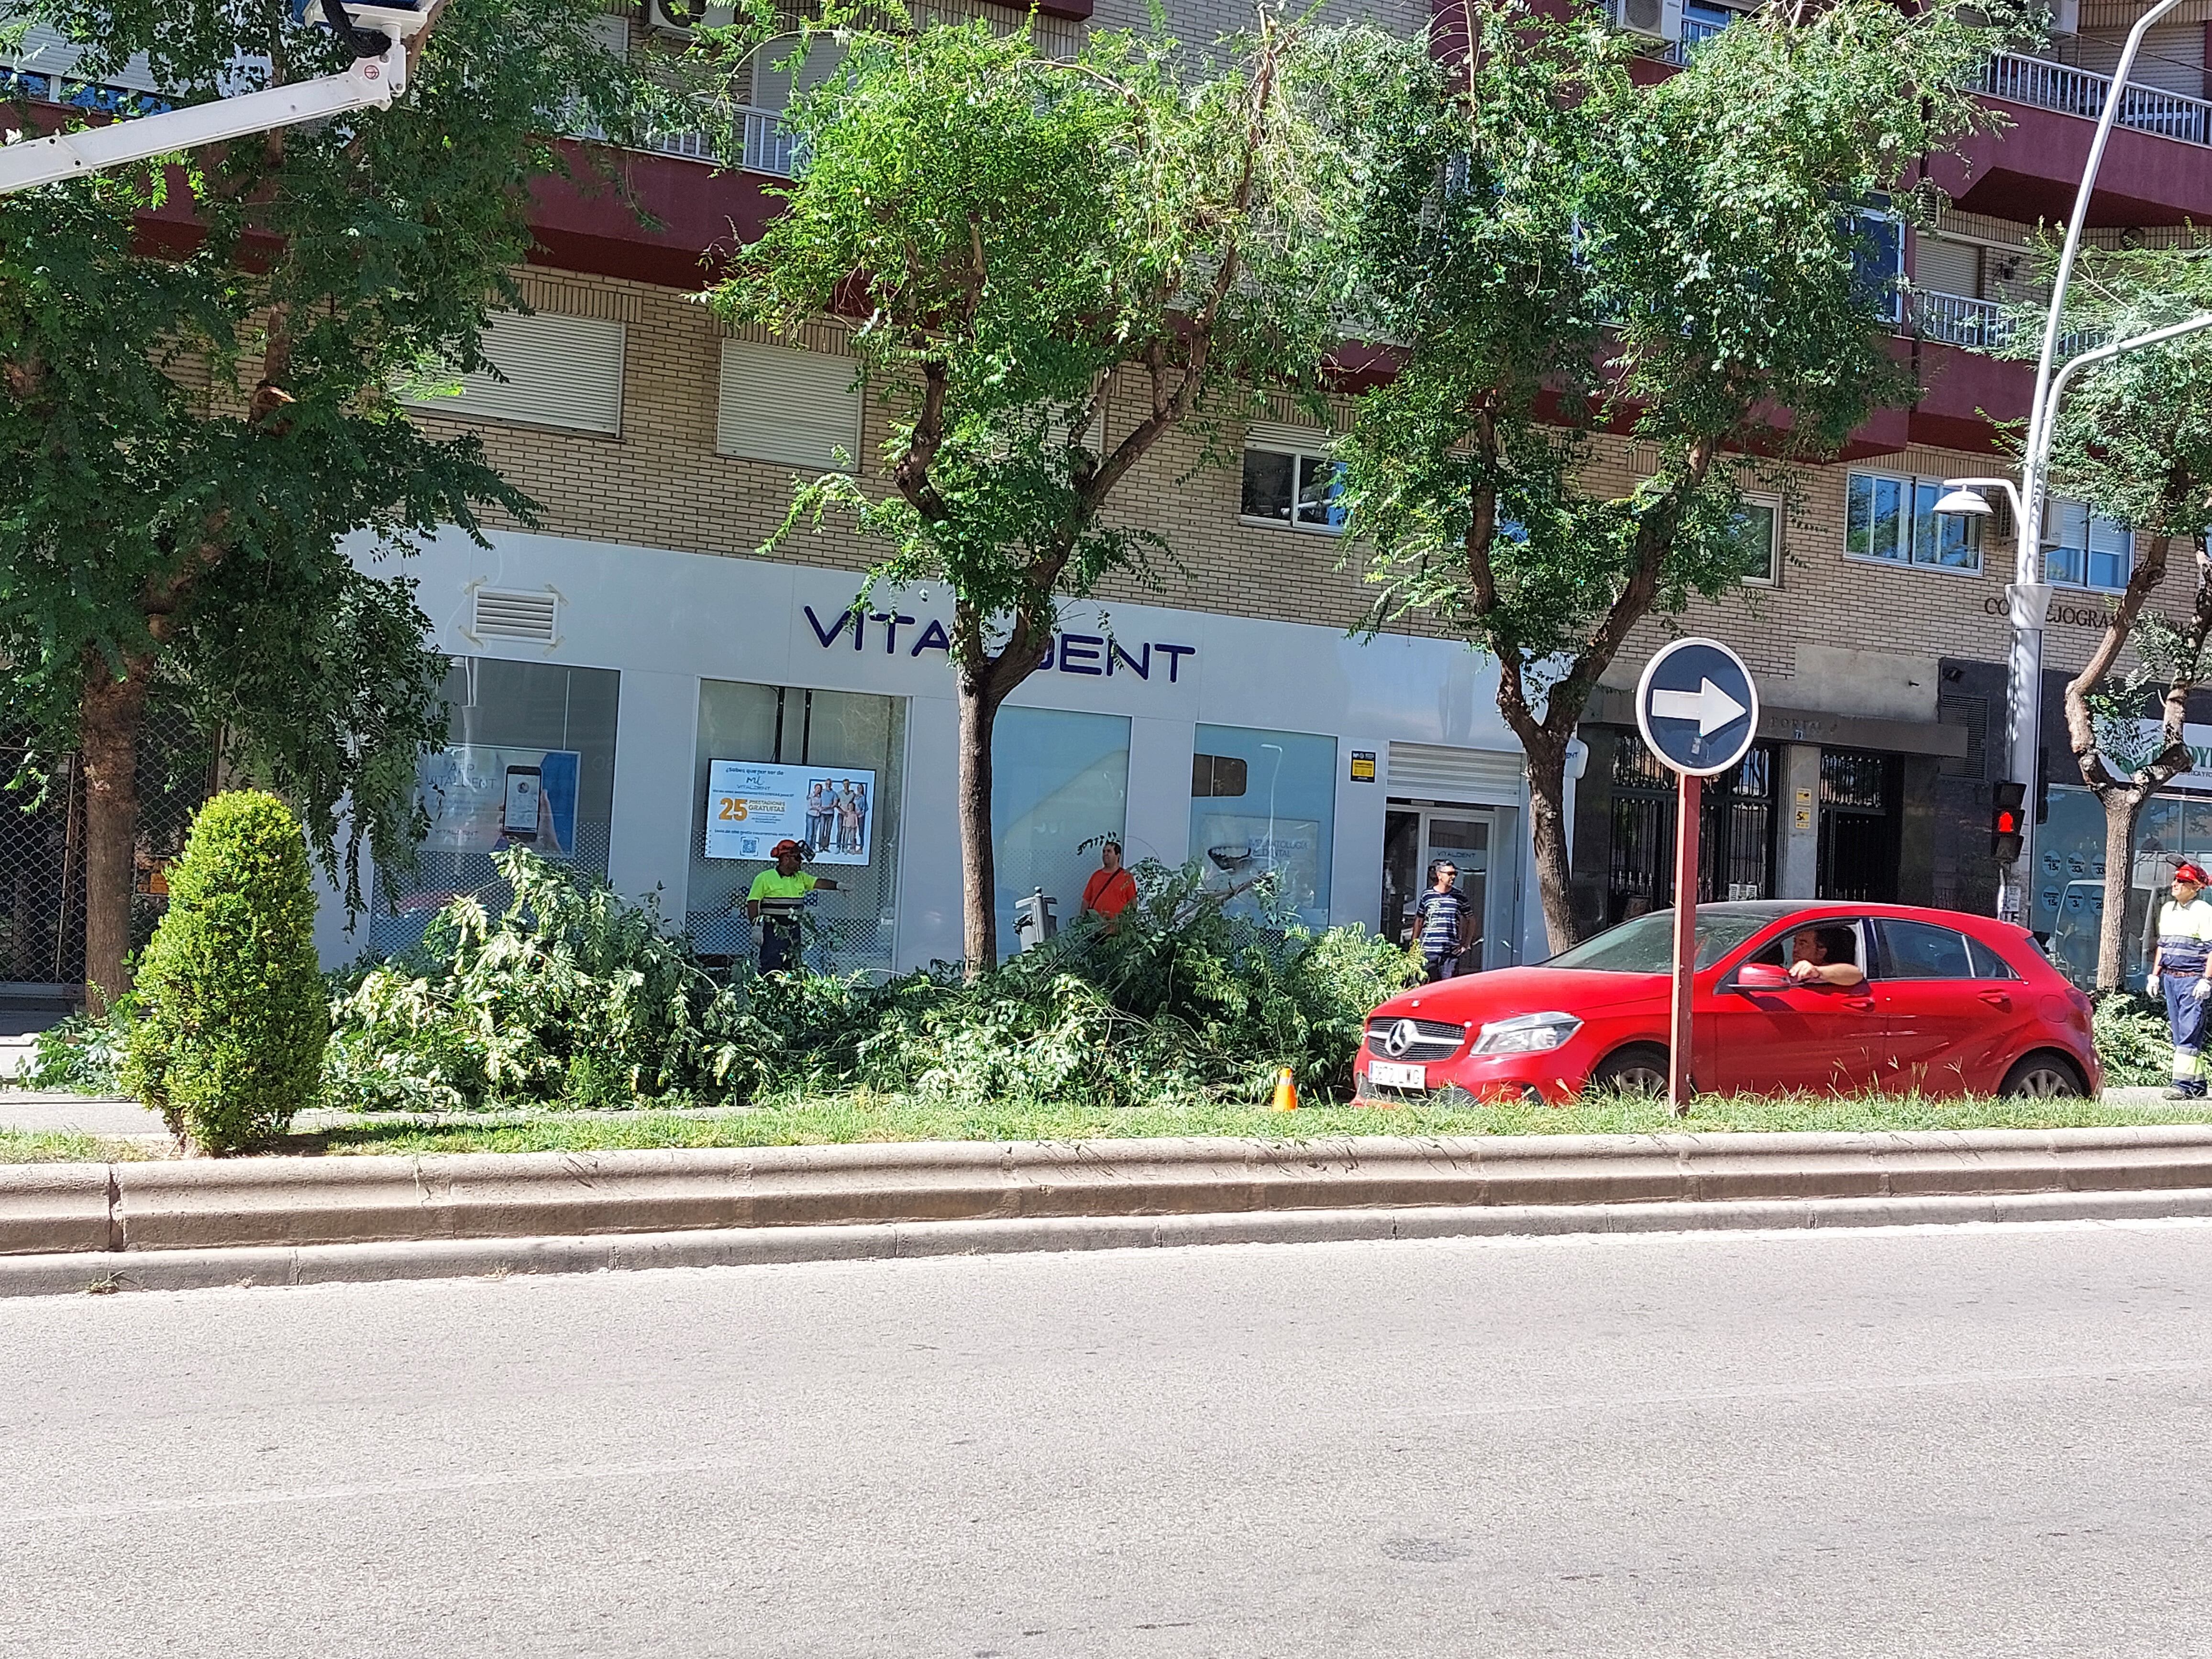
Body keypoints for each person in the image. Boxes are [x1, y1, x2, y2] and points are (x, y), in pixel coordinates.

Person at [2147, 861, 2212, 1098]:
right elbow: (2162, 946)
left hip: (2193, 979)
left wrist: (2207, 980)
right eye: (2176, 880)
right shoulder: (2167, 910)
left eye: (2182, 882)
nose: (2175, 884)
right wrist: (2155, 975)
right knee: (2180, 1033)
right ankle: (2196, 1084)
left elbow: (2211, 949)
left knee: (2188, 1030)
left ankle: (2181, 1086)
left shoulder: (2204, 911)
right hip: (2171, 979)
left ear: (2195, 887)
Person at [743, 839, 839, 973]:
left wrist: (838, 886)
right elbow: (753, 903)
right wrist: (756, 928)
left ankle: (789, 992)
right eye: (798, 858)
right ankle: (768, 990)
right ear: (786, 858)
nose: (801, 862)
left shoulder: (801, 877)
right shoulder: (765, 878)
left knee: (793, 966)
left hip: (794, 930)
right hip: (773, 931)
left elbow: (819, 883)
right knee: (770, 966)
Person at [1410, 862, 1469, 983]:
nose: (1453, 877)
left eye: (1455, 874)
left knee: (1448, 987)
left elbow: (1471, 919)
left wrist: (1465, 944)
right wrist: (1414, 944)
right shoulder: (1427, 895)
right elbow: (1420, 919)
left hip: (1450, 953)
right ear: (1439, 875)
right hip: (1429, 950)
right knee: (1428, 986)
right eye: (1449, 874)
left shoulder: (1459, 896)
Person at [1785, 927, 1866, 988]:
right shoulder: (1790, 971)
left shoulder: (1828, 974)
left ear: (1821, 952)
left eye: (1803, 944)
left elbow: (1856, 975)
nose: (1795, 949)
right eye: (1795, 943)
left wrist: (1816, 971)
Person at [1080, 840, 1138, 924]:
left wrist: (1130, 922)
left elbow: (1133, 901)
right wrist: (1082, 920)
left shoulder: (1126, 877)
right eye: (1104, 852)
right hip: (1095, 927)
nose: (1105, 854)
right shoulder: (1096, 876)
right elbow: (1086, 900)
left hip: (1117, 928)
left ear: (1118, 855)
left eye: (1109, 851)